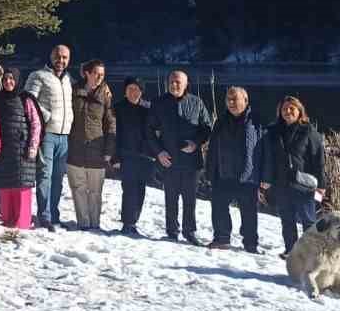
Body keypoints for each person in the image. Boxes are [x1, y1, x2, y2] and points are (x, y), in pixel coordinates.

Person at [260, 95, 328, 255]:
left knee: (308, 221)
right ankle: (291, 251)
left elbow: (319, 161)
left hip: (303, 185)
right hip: (281, 183)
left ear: (299, 111)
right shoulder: (272, 132)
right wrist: (266, 180)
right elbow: (267, 158)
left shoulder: (310, 132)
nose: (288, 111)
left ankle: (311, 253)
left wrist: (321, 186)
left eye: (292, 108)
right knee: (287, 220)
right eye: (284, 109)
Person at [151, 69, 213, 244]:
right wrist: (158, 152)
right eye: (171, 81)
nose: (174, 84)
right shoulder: (159, 103)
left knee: (190, 199)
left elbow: (207, 127)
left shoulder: (197, 102)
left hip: (191, 161)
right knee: (170, 198)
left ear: (186, 84)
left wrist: (196, 143)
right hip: (168, 159)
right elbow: (149, 130)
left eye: (178, 82)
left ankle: (189, 231)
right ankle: (172, 231)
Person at [208, 86, 264, 252]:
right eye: (228, 99)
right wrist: (210, 170)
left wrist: (265, 176)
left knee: (249, 212)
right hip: (223, 174)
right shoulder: (221, 121)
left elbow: (265, 150)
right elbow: (212, 147)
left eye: (235, 99)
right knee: (219, 209)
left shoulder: (256, 121)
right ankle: (222, 239)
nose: (231, 103)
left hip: (248, 176)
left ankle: (250, 243)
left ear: (245, 101)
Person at [24, 45, 74, 230]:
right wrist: (47, 117)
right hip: (47, 135)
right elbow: (27, 100)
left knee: (58, 177)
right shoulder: (38, 76)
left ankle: (54, 214)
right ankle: (44, 215)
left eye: (65, 57)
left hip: (64, 135)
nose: (61, 61)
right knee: (45, 175)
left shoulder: (68, 79)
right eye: (58, 56)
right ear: (51, 56)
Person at [67, 60, 115, 231]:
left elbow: (111, 123)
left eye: (102, 75)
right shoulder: (73, 90)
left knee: (95, 191)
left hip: (97, 150)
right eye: (96, 73)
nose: (100, 78)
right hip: (75, 148)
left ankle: (95, 224)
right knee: (78, 189)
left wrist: (109, 150)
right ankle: (83, 224)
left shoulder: (105, 95)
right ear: (86, 73)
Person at [0, 69, 41, 228]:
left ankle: (22, 223)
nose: (8, 82)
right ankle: (7, 220)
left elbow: (36, 124)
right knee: (5, 186)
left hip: (22, 150)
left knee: (21, 186)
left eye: (12, 79)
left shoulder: (26, 98)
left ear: (18, 80)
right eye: (5, 78)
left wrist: (32, 146)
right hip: (3, 150)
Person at [113, 77, 156, 237]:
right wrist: (115, 156)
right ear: (125, 91)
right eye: (130, 89)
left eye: (136, 89)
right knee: (129, 189)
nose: (133, 92)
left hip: (145, 156)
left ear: (141, 91)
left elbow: (155, 132)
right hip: (126, 155)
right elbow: (114, 134)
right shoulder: (118, 108)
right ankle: (127, 223)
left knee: (140, 190)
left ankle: (133, 222)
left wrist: (156, 153)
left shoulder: (149, 108)